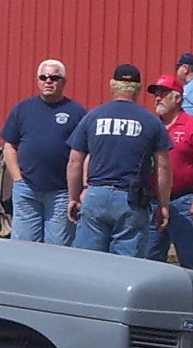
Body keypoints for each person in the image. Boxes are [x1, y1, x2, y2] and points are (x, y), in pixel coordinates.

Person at [66, 64, 173, 257]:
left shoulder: (93, 116)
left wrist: (74, 197)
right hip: (131, 201)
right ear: (139, 88)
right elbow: (163, 167)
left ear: (112, 85)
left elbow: (75, 161)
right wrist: (163, 204)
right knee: (126, 267)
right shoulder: (151, 121)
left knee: (88, 263)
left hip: (96, 196)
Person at [0, 59, 86, 245]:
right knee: (23, 245)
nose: (48, 81)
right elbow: (9, 146)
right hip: (27, 189)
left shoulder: (77, 112)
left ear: (63, 82)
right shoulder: (23, 109)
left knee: (58, 247)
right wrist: (17, 178)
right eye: (43, 77)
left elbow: (85, 153)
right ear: (38, 81)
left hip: (62, 193)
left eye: (54, 77)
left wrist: (80, 189)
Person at [144, 75, 193, 271]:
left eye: (163, 94)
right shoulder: (150, 125)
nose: (158, 98)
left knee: (191, 260)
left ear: (177, 98)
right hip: (153, 202)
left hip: (184, 202)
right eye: (156, 94)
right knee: (150, 260)